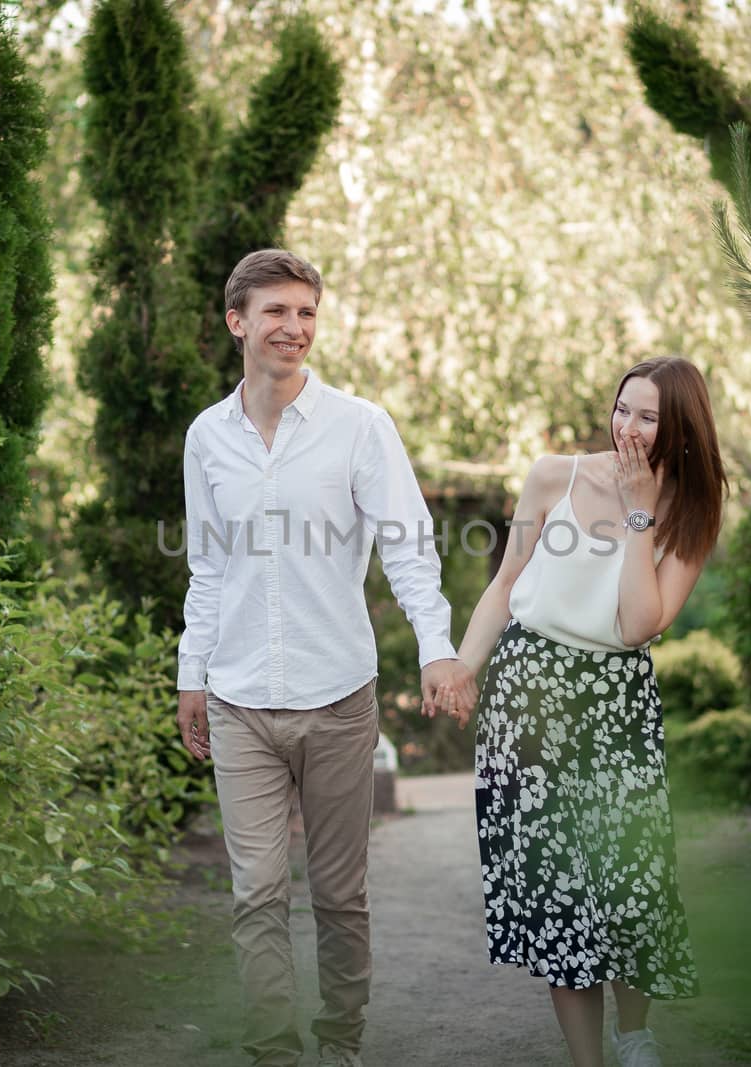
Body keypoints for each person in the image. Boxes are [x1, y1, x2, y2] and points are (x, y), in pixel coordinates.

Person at [175, 249, 477, 1067]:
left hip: (338, 698)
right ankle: (274, 1050)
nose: (294, 327)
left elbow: (409, 549)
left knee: (341, 897)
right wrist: (190, 673)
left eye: (306, 312)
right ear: (237, 321)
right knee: (256, 892)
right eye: (276, 311)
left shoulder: (360, 427)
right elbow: (208, 566)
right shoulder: (207, 438)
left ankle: (340, 1044)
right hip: (238, 699)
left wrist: (437, 651)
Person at [435, 357, 727, 1067]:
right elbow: (507, 583)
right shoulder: (551, 476)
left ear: (681, 429)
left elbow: (638, 625)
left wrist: (636, 513)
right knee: (559, 892)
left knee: (630, 881)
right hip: (529, 697)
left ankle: (635, 1034)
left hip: (616, 704)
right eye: (623, 408)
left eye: (649, 415)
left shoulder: (689, 510)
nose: (628, 426)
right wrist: (463, 665)